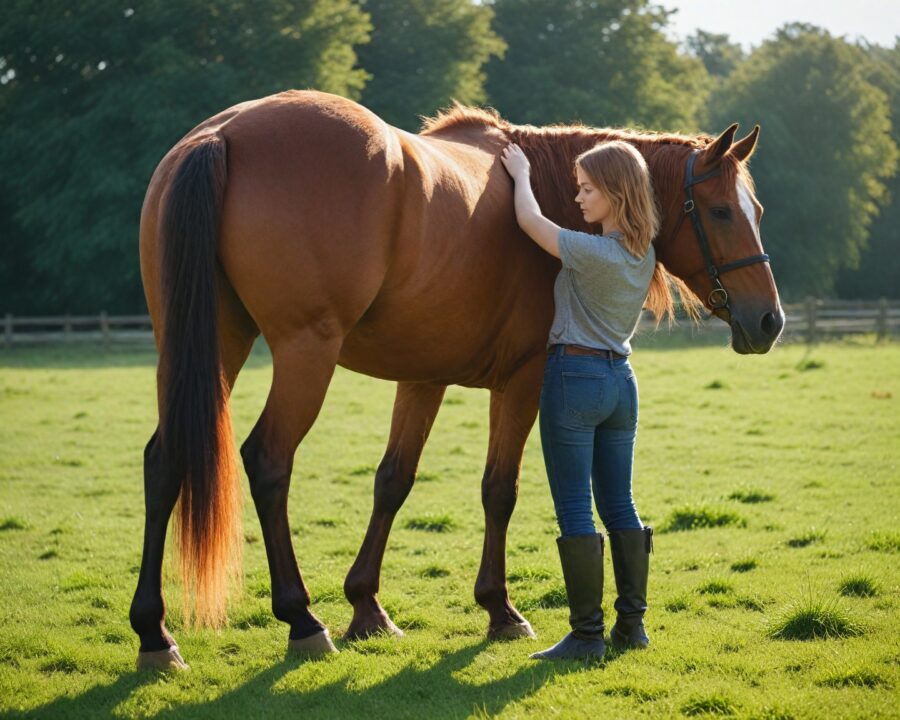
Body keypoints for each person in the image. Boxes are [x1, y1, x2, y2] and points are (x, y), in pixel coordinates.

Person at [500, 140, 659, 661]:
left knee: (574, 506)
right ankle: (631, 628)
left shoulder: (592, 252)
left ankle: (587, 636)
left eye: (588, 189)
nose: (579, 197)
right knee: (621, 505)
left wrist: (521, 174)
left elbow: (529, 222)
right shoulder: (645, 253)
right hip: (622, 383)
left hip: (574, 375)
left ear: (615, 192)